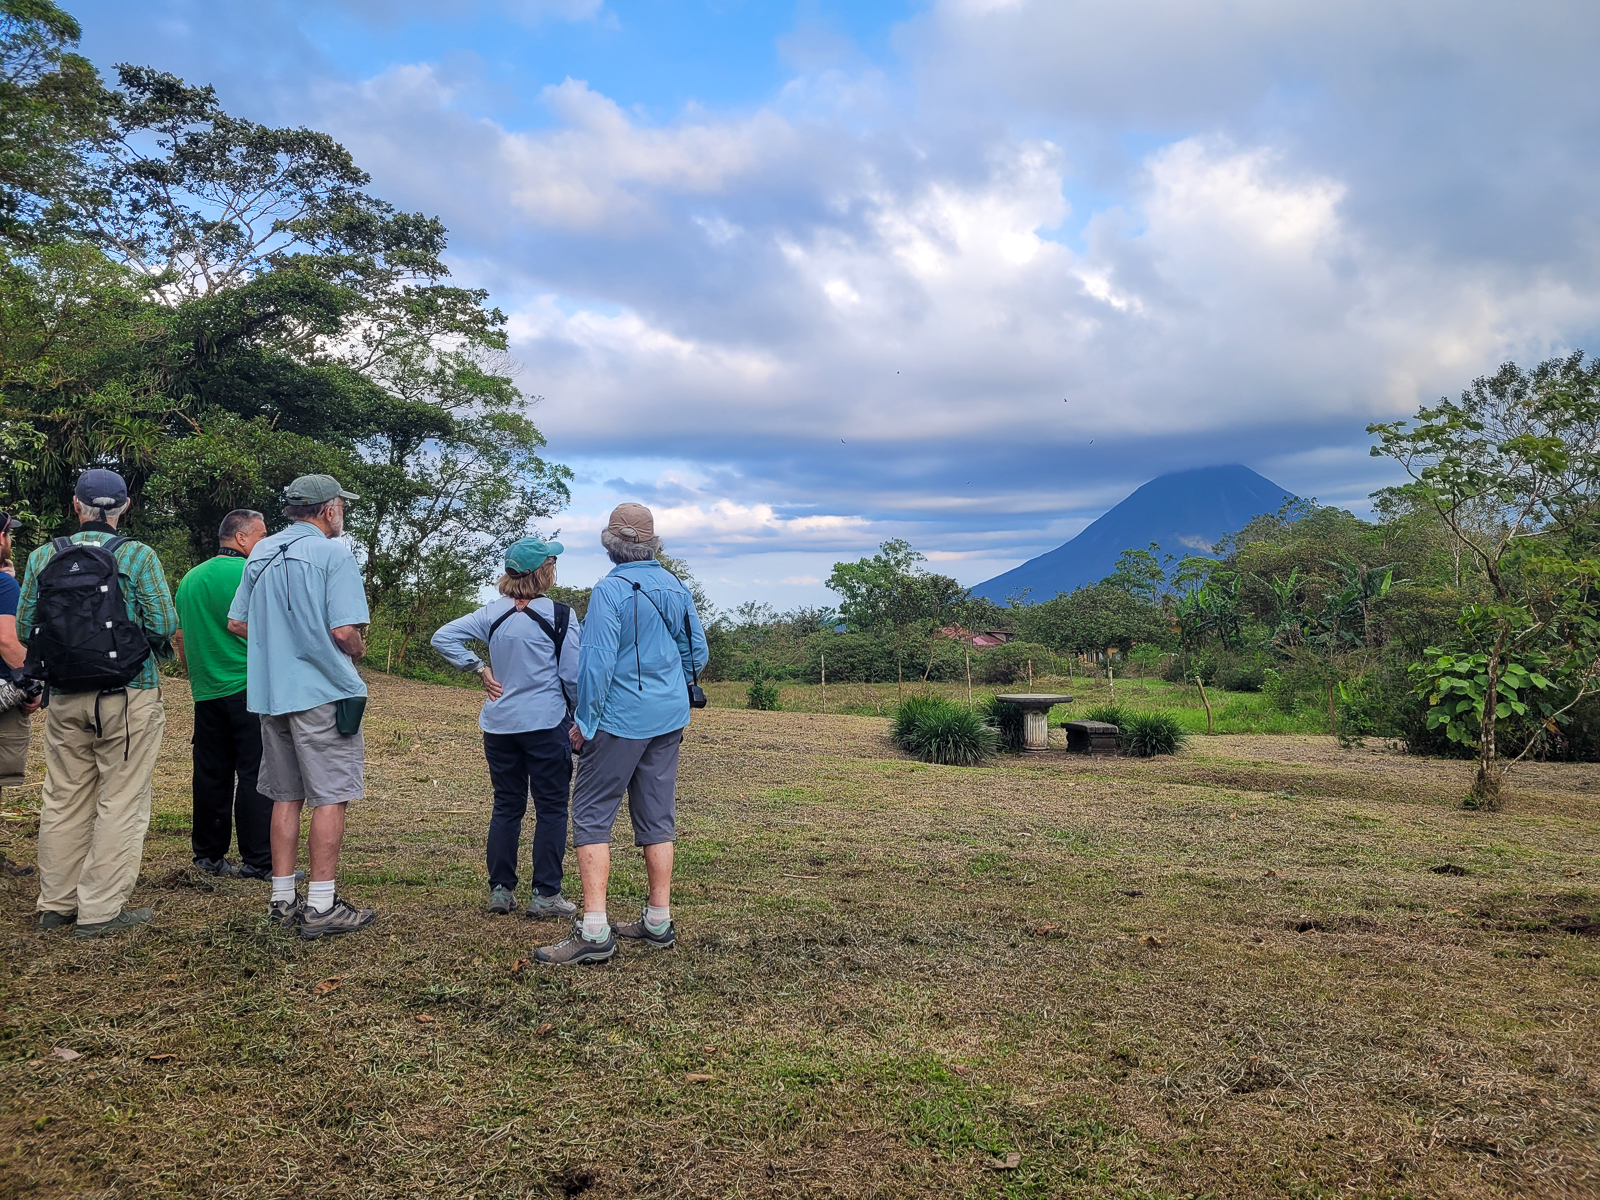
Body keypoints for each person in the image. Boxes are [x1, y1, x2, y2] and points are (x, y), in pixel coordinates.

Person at [535, 503, 708, 966]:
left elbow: (596, 664)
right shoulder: (676, 587)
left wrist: (584, 723)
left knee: (591, 814)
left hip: (619, 719)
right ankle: (658, 920)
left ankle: (594, 930)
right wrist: (668, 682)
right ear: (652, 543)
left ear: (610, 544)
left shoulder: (609, 591)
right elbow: (698, 652)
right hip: (669, 717)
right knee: (657, 814)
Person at [19, 470, 176, 938]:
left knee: (64, 797)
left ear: (76, 505)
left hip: (65, 694)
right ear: (124, 506)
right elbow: (165, 624)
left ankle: (56, 905)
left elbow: (28, 628)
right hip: (129, 693)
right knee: (121, 800)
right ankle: (100, 911)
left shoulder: (44, 556)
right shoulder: (138, 555)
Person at [227, 475, 374, 940]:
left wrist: (280, 646)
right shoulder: (334, 553)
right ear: (329, 510)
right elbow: (343, 631)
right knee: (331, 795)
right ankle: (322, 903)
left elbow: (237, 621)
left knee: (285, 794)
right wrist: (357, 649)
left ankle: (282, 897)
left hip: (273, 694)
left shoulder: (261, 553)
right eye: (341, 507)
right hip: (323, 693)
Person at [431, 536, 582, 918]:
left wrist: (479, 668)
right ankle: (546, 895)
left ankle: (501, 890)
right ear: (544, 573)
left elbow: (443, 636)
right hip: (546, 723)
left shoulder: (491, 613)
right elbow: (572, 676)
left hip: (498, 725)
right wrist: (579, 715)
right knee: (550, 808)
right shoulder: (560, 615)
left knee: (507, 805)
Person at [175, 509, 274, 878]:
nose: (266, 542)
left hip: (206, 690)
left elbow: (181, 635)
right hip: (249, 686)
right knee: (255, 775)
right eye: (262, 535)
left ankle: (208, 857)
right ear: (243, 538)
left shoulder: (190, 578)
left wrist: (194, 674)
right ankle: (258, 861)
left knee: (211, 774)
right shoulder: (252, 574)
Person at [0, 512, 42, 799]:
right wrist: (33, 684)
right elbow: (6, 639)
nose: (10, 540)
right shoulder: (4, 586)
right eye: (7, 533)